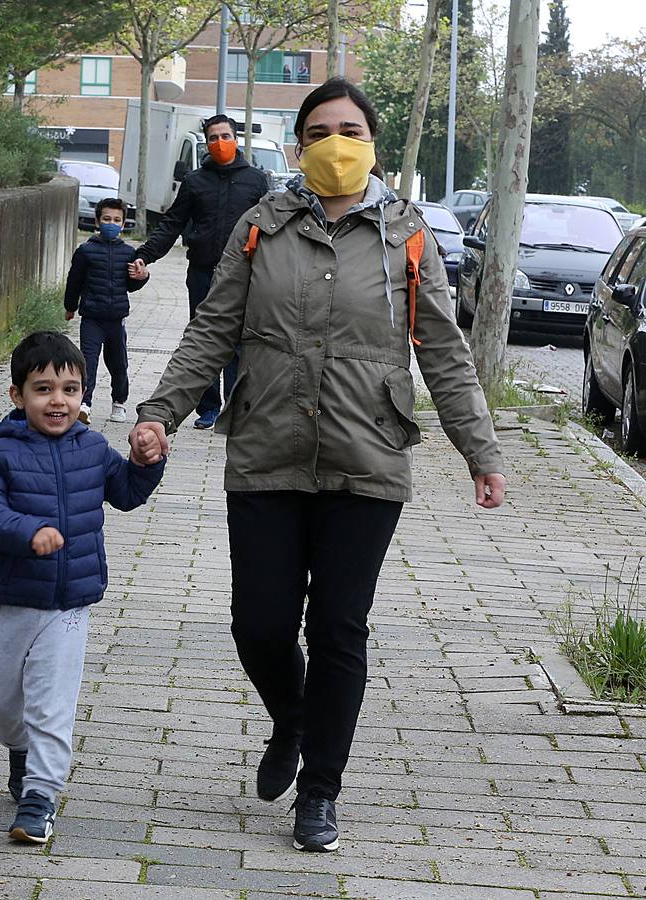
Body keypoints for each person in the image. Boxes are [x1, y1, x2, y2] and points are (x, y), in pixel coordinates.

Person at [128, 78, 505, 853]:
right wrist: (158, 413)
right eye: (322, 130)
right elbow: (213, 329)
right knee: (259, 624)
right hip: (267, 446)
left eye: (352, 128)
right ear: (299, 146)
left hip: (367, 457)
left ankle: (320, 792)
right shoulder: (260, 226)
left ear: (370, 141)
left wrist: (481, 451)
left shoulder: (408, 234)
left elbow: (443, 352)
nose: (338, 141)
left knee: (338, 628)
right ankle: (292, 716)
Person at [0, 331, 165, 844]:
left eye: (71, 389)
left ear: (83, 395)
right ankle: (20, 752)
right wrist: (27, 532)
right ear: (17, 395)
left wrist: (147, 463)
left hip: (71, 602)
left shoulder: (93, 447)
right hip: (14, 597)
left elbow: (124, 493)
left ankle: (40, 798)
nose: (58, 400)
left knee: (51, 704)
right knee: (4, 701)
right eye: (43, 388)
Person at [131, 115, 270, 430]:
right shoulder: (195, 181)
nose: (220, 142)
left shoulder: (256, 180)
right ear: (206, 143)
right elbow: (172, 224)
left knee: (238, 341)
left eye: (225, 135)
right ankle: (207, 407)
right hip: (203, 272)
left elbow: (270, 226)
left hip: (245, 273)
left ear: (236, 139)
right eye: (213, 137)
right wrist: (145, 256)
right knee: (204, 337)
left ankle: (234, 408)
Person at [64, 197, 149, 425]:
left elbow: (131, 285)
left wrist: (143, 277)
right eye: (107, 219)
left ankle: (119, 402)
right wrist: (70, 307)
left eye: (116, 220)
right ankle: (84, 403)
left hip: (116, 319)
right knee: (87, 362)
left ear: (123, 224)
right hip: (92, 318)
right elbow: (74, 281)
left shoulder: (128, 253)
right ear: (98, 221)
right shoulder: (86, 251)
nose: (111, 223)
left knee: (118, 363)